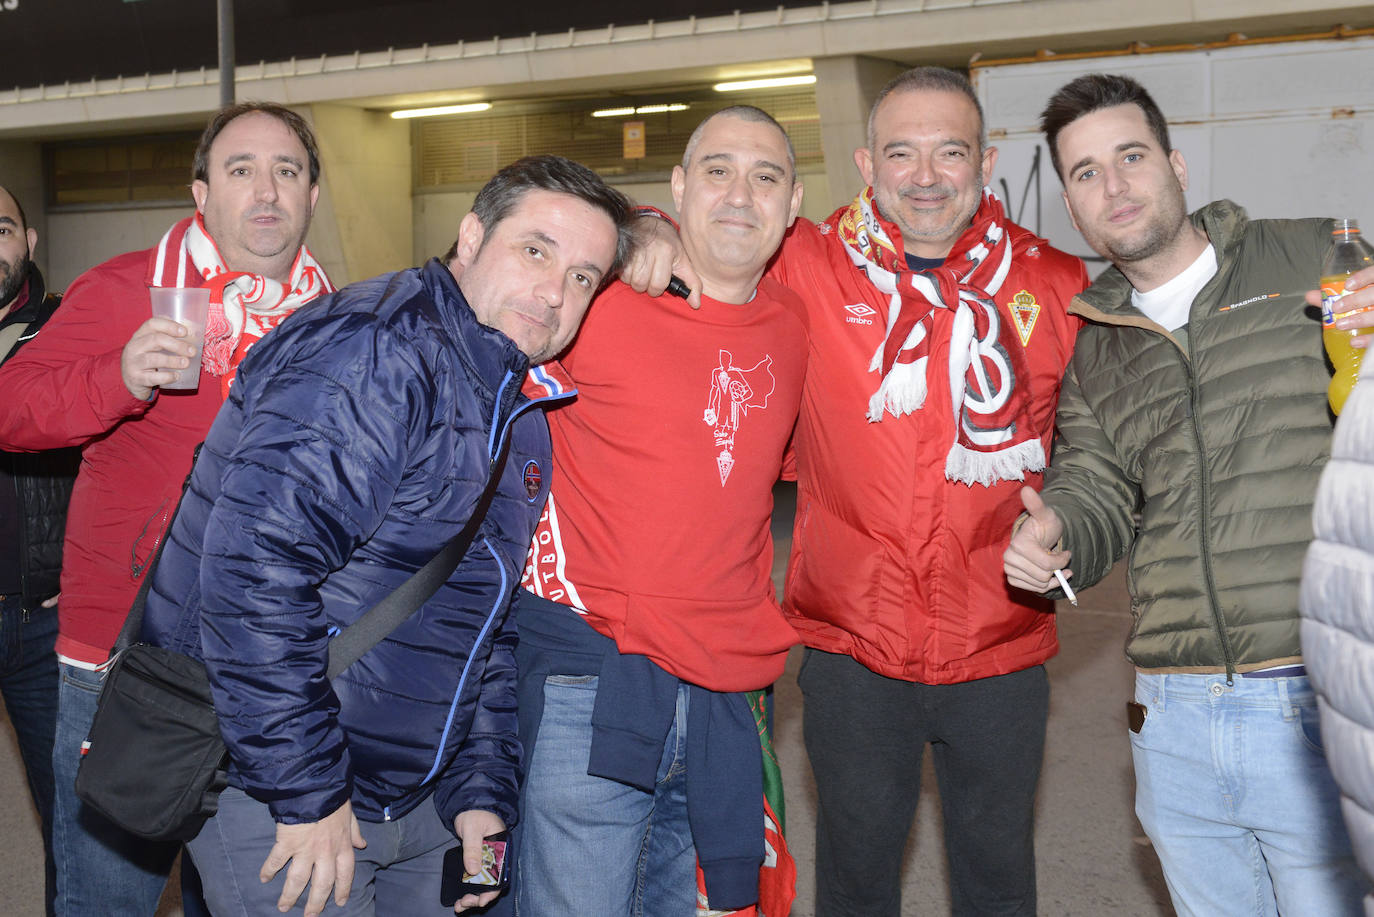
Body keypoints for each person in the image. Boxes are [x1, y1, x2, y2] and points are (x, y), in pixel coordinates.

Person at [627, 67, 1087, 916]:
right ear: (865, 163)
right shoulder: (805, 261)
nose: (925, 175)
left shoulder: (1055, 284)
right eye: (900, 152)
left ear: (986, 161)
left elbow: (1096, 456)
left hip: (1002, 647)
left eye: (949, 152)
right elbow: (722, 219)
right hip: (852, 652)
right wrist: (642, 226)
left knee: (998, 881)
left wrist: (1074, 526)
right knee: (854, 879)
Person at [138, 154, 635, 917]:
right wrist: (307, 794)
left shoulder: (519, 403)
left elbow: (483, 625)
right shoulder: (375, 348)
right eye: (536, 250)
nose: (553, 291)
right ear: (470, 236)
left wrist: (483, 799)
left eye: (582, 277)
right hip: (284, 786)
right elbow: (248, 576)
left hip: (424, 800)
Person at [1003, 72, 1367, 916]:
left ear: (1175, 164)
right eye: (1085, 172)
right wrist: (1055, 532)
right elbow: (1094, 489)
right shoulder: (1098, 345)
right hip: (1173, 717)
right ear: (1071, 203)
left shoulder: (1312, 255)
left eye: (1130, 156)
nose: (1114, 186)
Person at [0, 102, 334, 915]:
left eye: (287, 171)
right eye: (240, 169)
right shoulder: (126, 289)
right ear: (201, 191)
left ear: (312, 196)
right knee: (107, 897)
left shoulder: (335, 320)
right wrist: (116, 376)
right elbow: (11, 405)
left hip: (272, 667)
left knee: (262, 895)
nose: (266, 190)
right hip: (124, 656)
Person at [513, 106, 806, 916]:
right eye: (716, 171)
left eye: (765, 176)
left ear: (794, 204)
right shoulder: (595, 300)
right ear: (678, 188)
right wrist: (628, 228)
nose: (739, 195)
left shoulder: (794, 323)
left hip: (730, 697)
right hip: (594, 682)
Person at [0, 185, 77, 916]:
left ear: (26, 242)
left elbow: (118, 457)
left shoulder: (63, 335)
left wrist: (85, 567)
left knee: (71, 820)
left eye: (0, 227)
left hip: (40, 621)